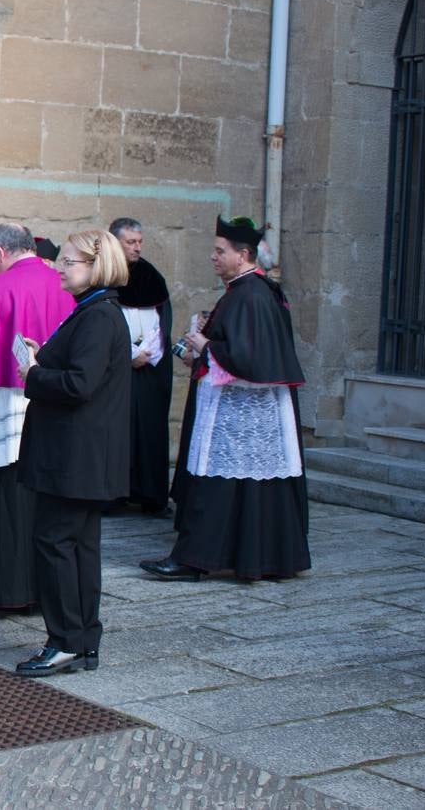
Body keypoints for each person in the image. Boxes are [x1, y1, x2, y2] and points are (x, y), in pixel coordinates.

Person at [141, 216, 310, 581]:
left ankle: (193, 560)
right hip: (237, 414)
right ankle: (240, 558)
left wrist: (206, 348)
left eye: (220, 251)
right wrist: (200, 350)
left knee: (218, 487)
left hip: (243, 416)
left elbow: (251, 359)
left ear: (243, 254)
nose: (213, 257)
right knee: (236, 488)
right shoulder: (241, 290)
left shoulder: (252, 294)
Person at [14, 230, 132, 676]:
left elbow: (80, 384)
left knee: (57, 543)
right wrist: (45, 359)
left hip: (75, 455)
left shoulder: (98, 316)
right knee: (79, 546)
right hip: (81, 453)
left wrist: (32, 372)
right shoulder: (93, 312)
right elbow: (84, 373)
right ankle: (82, 640)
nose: (60, 268)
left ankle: (65, 640)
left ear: (94, 266)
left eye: (69, 262)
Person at [0, 223, 75, 610]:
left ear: (1, 253)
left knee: (5, 499)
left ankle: (7, 591)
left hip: (5, 410)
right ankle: (43, 590)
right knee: (45, 504)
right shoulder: (64, 285)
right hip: (53, 406)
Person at [109, 218, 173, 515]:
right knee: (116, 433)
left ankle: (149, 493)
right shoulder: (104, 276)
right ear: (115, 243)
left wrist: (150, 352)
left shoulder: (151, 278)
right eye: (130, 242)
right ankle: (112, 494)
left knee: (149, 430)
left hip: (150, 368)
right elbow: (101, 324)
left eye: (139, 242)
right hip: (115, 372)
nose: (137, 247)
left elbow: (163, 321)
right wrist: (127, 354)